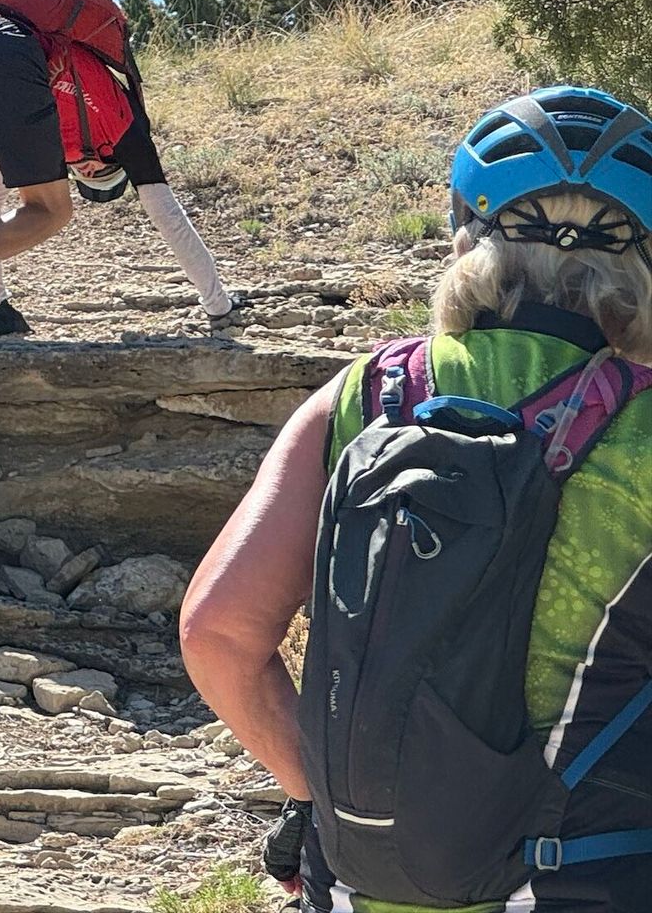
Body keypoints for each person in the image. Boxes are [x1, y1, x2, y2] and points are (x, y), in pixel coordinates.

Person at [180, 86, 652, 913]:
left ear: (467, 231)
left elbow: (217, 633)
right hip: (590, 877)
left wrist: (327, 799)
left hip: (362, 882)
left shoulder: (366, 394)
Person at [0, 0, 237, 342]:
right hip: (2, 52)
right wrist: (219, 306)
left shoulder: (43, 127)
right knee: (52, 210)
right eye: (102, 172)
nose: (88, 169)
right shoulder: (129, 130)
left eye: (86, 176)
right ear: (117, 162)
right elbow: (169, 217)